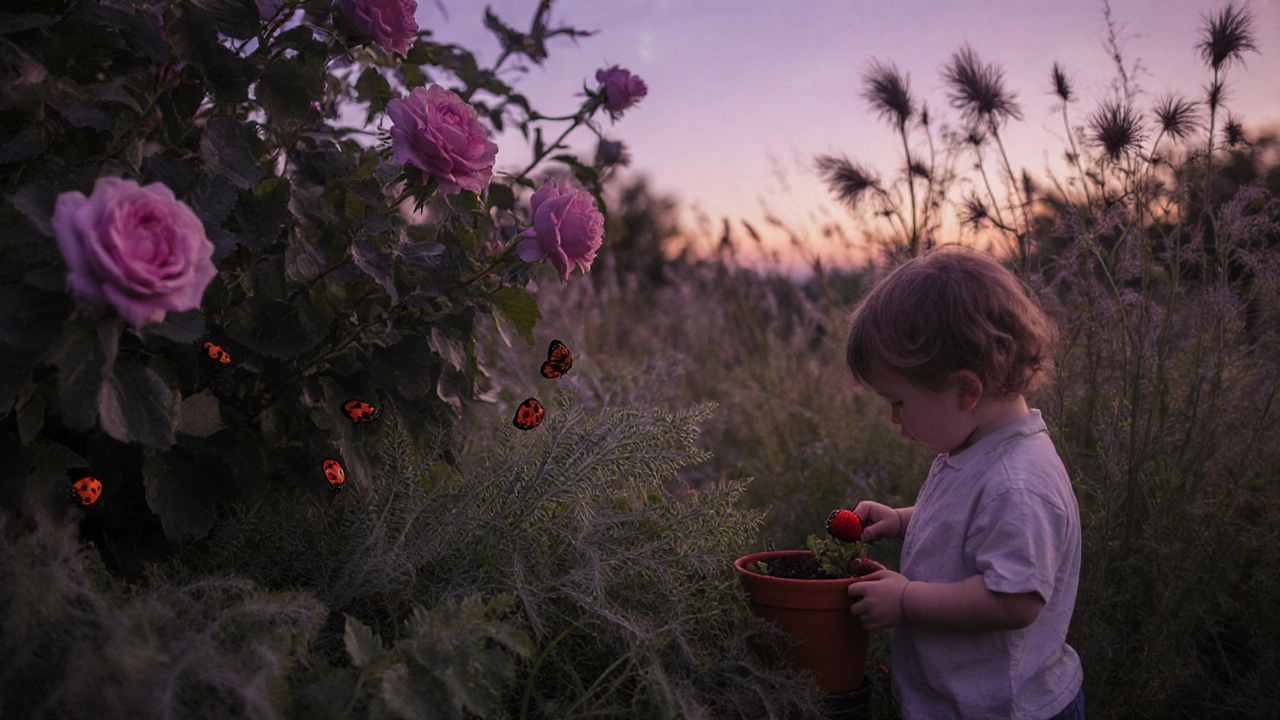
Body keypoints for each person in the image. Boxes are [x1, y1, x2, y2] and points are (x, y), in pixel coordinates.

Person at [843, 246, 1084, 719]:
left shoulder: (1018, 481)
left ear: (966, 390)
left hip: (1004, 709)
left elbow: (1013, 599)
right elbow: (970, 524)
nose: (894, 419)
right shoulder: (976, 449)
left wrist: (907, 600)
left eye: (898, 402)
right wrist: (902, 520)